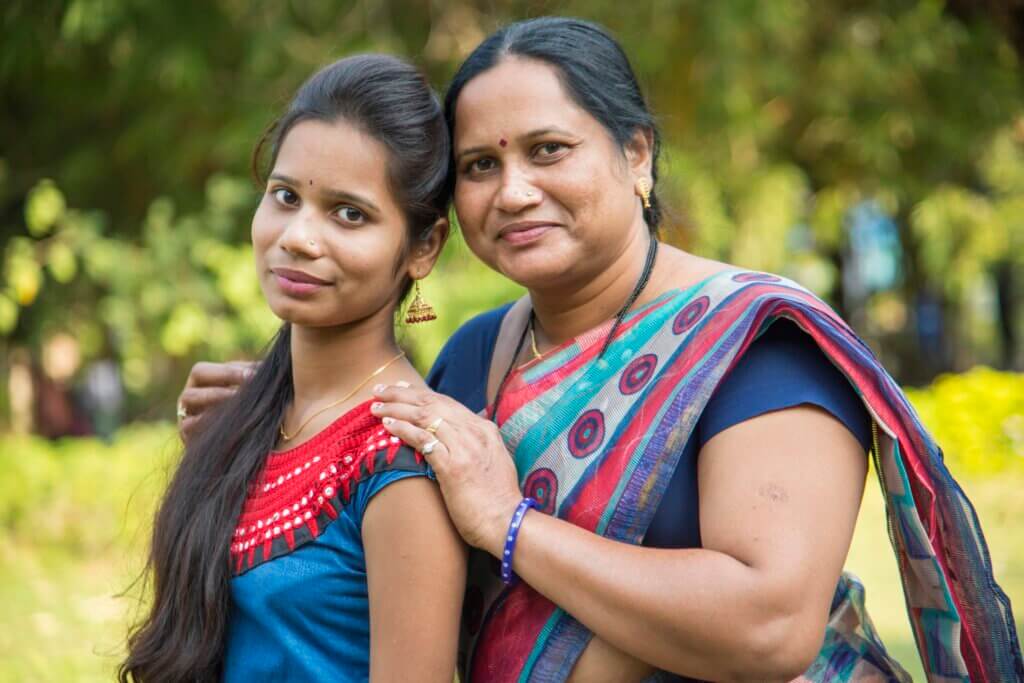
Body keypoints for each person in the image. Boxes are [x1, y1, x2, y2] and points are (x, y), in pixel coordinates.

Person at [180, 18, 1022, 682]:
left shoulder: (757, 345)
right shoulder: (475, 357)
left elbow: (770, 624)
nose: (514, 191)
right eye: (479, 164)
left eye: (549, 150)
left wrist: (512, 528)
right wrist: (287, 414)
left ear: (636, 155)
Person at [124, 54, 466, 683]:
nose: (299, 237)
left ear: (424, 247)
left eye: (349, 213)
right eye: (286, 197)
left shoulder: (403, 456)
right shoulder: (259, 412)